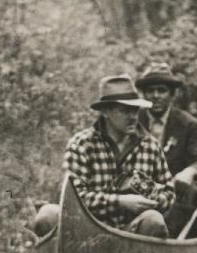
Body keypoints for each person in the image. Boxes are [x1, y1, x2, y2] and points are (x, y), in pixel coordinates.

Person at [35, 74, 176, 238]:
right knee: (47, 215)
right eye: (125, 111)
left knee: (154, 220)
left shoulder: (150, 146)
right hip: (84, 232)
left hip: (131, 232)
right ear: (106, 111)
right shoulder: (82, 144)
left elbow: (169, 194)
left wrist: (151, 194)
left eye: (135, 110)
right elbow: (72, 199)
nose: (133, 117)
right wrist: (120, 202)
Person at [136, 62, 197, 238]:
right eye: (150, 91)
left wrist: (190, 172)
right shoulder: (132, 120)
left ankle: (167, 239)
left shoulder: (188, 124)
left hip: (173, 198)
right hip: (137, 191)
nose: (155, 96)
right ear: (144, 94)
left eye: (161, 90)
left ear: (172, 94)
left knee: (190, 192)